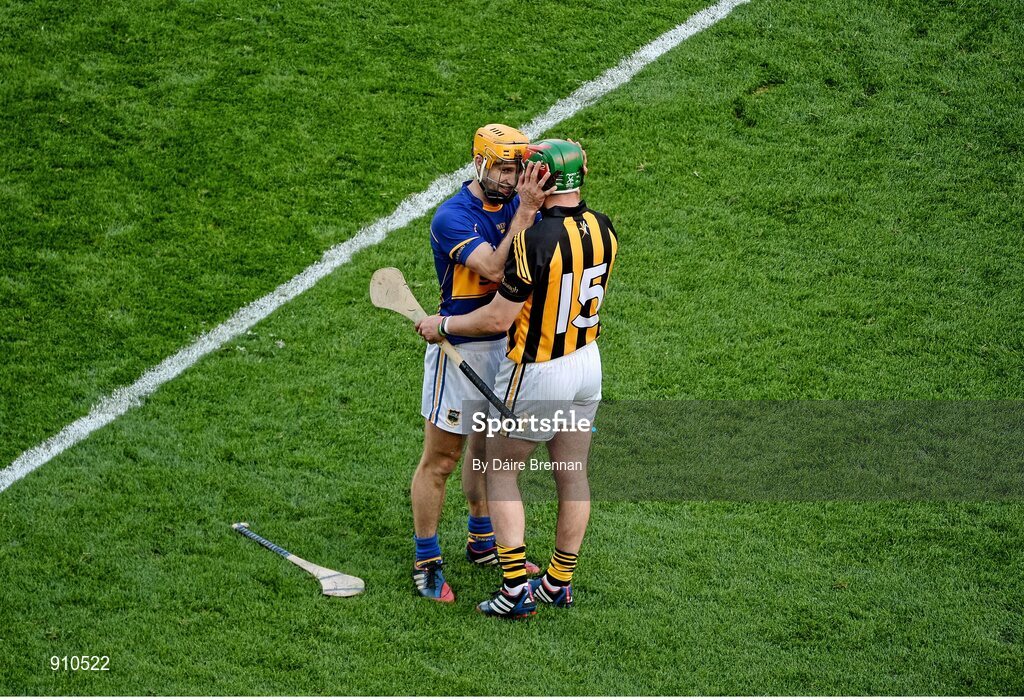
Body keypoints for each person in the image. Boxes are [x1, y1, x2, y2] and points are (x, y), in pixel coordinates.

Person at [416, 139, 618, 618]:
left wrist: (440, 325)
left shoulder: (532, 234)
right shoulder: (603, 227)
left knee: (498, 469)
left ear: (542, 179)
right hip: (585, 360)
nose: (514, 179)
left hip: (531, 364)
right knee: (562, 472)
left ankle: (511, 590)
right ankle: (554, 581)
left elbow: (497, 317)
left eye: (524, 170)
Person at [411, 124, 550, 603]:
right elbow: (492, 266)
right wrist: (525, 215)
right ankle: (426, 560)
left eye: (517, 170)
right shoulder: (452, 216)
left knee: (490, 449)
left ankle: (482, 540)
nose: (511, 180)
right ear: (479, 163)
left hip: (508, 346)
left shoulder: (517, 201)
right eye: (503, 169)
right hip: (460, 347)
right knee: (442, 459)